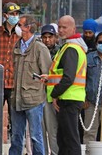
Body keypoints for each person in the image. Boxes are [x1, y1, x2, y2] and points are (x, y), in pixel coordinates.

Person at [9, 14, 52, 155]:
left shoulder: (40, 48)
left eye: (20, 25)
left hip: (34, 100)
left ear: (28, 27)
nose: (17, 27)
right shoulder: (17, 46)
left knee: (35, 136)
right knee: (16, 136)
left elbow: (48, 75)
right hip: (17, 99)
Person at [46, 15, 88, 155]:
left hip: (69, 98)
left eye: (65, 27)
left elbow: (68, 78)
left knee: (69, 140)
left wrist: (54, 93)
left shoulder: (71, 48)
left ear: (73, 29)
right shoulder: (69, 47)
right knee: (64, 139)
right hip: (68, 97)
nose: (61, 30)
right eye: (60, 27)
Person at [0, 2, 21, 138]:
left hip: (14, 84)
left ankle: (14, 149)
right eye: (12, 14)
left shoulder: (20, 36)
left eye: (17, 14)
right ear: (5, 15)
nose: (15, 16)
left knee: (16, 121)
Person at [41, 24, 60, 155]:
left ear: (55, 38)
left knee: (53, 131)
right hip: (38, 95)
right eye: (45, 37)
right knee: (39, 132)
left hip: (54, 96)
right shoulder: (38, 50)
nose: (47, 40)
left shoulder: (60, 53)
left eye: (50, 37)